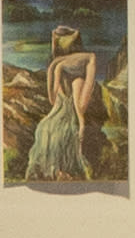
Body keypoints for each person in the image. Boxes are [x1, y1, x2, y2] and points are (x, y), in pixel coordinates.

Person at [20, 25, 102, 182]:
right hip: (55, 118)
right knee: (45, 131)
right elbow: (53, 101)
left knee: (55, 133)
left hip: (65, 120)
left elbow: (78, 109)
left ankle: (60, 172)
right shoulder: (59, 71)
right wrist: (57, 65)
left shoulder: (75, 80)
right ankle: (55, 172)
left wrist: (81, 123)